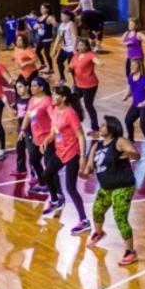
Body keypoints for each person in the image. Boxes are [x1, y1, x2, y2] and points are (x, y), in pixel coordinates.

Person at [84, 115, 140, 265]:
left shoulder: (119, 141)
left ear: (112, 127)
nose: (100, 127)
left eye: (104, 125)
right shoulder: (97, 146)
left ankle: (131, 252)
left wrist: (131, 154)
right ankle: (98, 233)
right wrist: (84, 172)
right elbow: (89, 167)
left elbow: (135, 154)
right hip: (106, 187)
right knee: (97, 210)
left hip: (123, 186)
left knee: (120, 218)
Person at [39, 85, 90, 234]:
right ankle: (56, 201)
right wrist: (46, 141)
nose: (53, 97)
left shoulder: (70, 113)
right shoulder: (54, 110)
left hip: (72, 153)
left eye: (56, 95)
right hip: (60, 151)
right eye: (53, 94)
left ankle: (84, 220)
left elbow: (81, 135)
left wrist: (82, 156)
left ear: (64, 98)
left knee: (70, 188)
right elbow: (54, 131)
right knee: (46, 175)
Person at [24, 77, 54, 194]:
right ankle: (43, 183)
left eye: (34, 86)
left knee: (48, 165)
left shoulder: (47, 101)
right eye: (31, 86)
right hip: (36, 137)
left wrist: (52, 135)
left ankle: (54, 191)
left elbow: (54, 119)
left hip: (47, 139)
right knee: (34, 160)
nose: (31, 88)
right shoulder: (32, 100)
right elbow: (28, 115)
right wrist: (22, 129)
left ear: (41, 88)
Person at [123, 58, 145, 157]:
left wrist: (144, 103)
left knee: (144, 126)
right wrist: (126, 96)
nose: (132, 67)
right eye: (131, 65)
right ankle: (131, 140)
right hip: (136, 104)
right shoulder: (131, 76)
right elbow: (131, 88)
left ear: (140, 66)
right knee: (128, 120)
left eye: (135, 65)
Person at [71, 38, 101, 130]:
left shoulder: (90, 55)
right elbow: (71, 65)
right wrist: (69, 68)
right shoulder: (76, 55)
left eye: (82, 45)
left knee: (88, 105)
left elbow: (95, 60)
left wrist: (100, 62)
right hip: (78, 84)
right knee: (73, 100)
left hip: (90, 85)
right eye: (78, 45)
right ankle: (77, 119)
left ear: (87, 47)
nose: (79, 47)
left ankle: (95, 127)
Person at [52, 9, 78, 84]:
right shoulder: (61, 25)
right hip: (64, 48)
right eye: (61, 16)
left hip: (71, 49)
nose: (61, 17)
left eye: (63, 16)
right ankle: (62, 78)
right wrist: (54, 49)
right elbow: (58, 37)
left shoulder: (71, 24)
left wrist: (74, 49)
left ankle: (76, 83)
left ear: (68, 17)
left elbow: (75, 37)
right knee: (59, 61)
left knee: (71, 67)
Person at [34, 3, 55, 74]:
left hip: (47, 38)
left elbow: (55, 24)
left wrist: (53, 22)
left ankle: (51, 69)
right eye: (41, 8)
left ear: (47, 9)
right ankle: (43, 64)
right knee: (37, 51)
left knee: (46, 54)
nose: (41, 9)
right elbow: (35, 27)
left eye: (43, 8)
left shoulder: (49, 17)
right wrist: (36, 26)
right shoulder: (40, 18)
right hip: (41, 37)